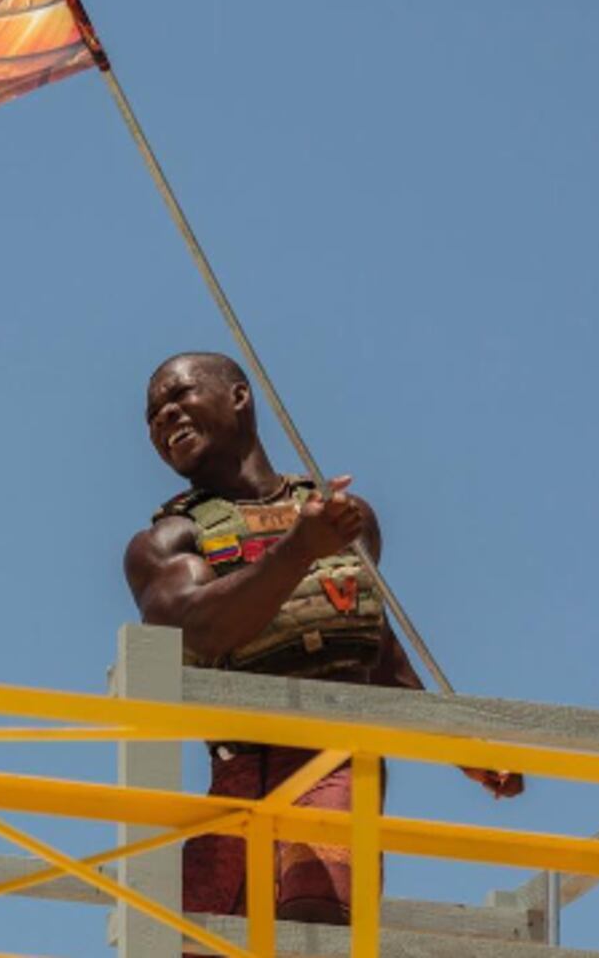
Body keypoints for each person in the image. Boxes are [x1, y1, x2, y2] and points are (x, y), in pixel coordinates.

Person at [124, 351, 523, 925]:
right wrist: (298, 550)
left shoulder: (340, 519)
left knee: (318, 929)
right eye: (153, 414)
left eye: (178, 395)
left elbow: (370, 652)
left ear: (238, 396)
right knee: (200, 935)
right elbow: (196, 625)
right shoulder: (166, 541)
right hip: (239, 770)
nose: (164, 418)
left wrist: (460, 746)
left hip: (331, 762)